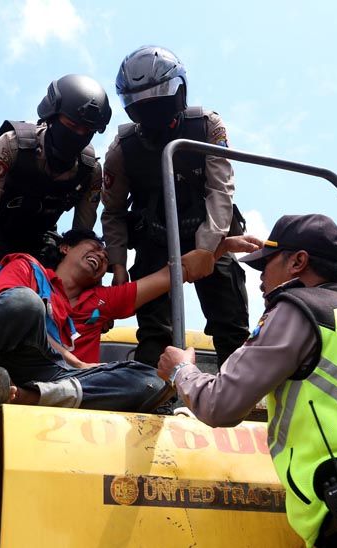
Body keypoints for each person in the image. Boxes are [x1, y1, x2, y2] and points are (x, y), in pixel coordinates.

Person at [158, 214, 337, 547]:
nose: (261, 279)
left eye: (266, 265)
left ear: (298, 261)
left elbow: (220, 405)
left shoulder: (299, 310)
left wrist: (182, 371)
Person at [0, 229, 261, 412]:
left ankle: (22, 397)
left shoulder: (102, 302)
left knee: (150, 381)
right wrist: (75, 360)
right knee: (25, 306)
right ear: (64, 250)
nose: (100, 255)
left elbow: (168, 276)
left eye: (106, 257)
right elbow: (4, 315)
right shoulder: (28, 269)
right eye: (91, 246)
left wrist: (219, 249)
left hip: (54, 383)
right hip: (20, 353)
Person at [102, 45, 249, 368]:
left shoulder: (206, 127)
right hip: (156, 244)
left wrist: (207, 248)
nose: (152, 112)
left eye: (159, 100)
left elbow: (221, 189)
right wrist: (117, 265)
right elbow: (112, 212)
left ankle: (240, 396)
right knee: (155, 333)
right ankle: (153, 400)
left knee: (231, 324)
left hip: (211, 240)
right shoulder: (122, 151)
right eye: (142, 105)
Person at [0, 74, 112, 301]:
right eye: (72, 125)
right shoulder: (10, 147)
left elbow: (82, 240)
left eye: (86, 131)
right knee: (3, 311)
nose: (77, 135)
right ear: (52, 116)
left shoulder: (90, 171)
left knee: (48, 310)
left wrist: (93, 294)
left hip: (43, 243)